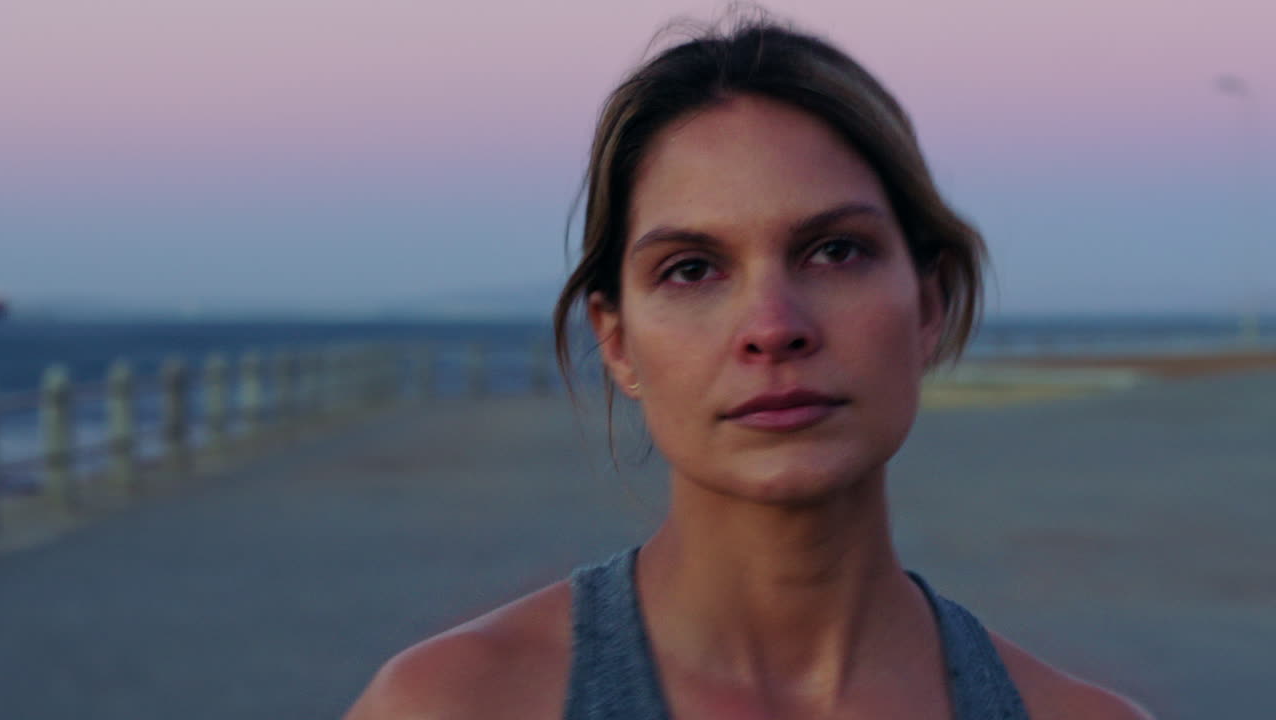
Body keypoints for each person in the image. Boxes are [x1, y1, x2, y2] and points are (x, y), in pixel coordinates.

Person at [345, 14, 1153, 720]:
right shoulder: (450, 705)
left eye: (836, 251)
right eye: (692, 269)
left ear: (929, 306)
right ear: (618, 342)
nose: (772, 328)